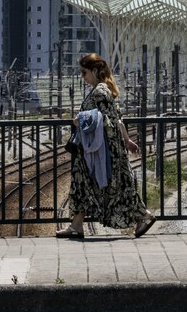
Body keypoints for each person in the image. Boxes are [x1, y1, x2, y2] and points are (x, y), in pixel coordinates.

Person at [56, 53, 156, 239]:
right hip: (98, 149)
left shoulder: (100, 91)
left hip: (102, 150)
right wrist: (127, 140)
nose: (82, 76)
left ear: (94, 71)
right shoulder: (101, 90)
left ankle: (144, 216)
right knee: (85, 184)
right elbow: (117, 119)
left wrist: (81, 120)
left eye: (84, 72)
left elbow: (108, 120)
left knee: (114, 186)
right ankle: (76, 225)